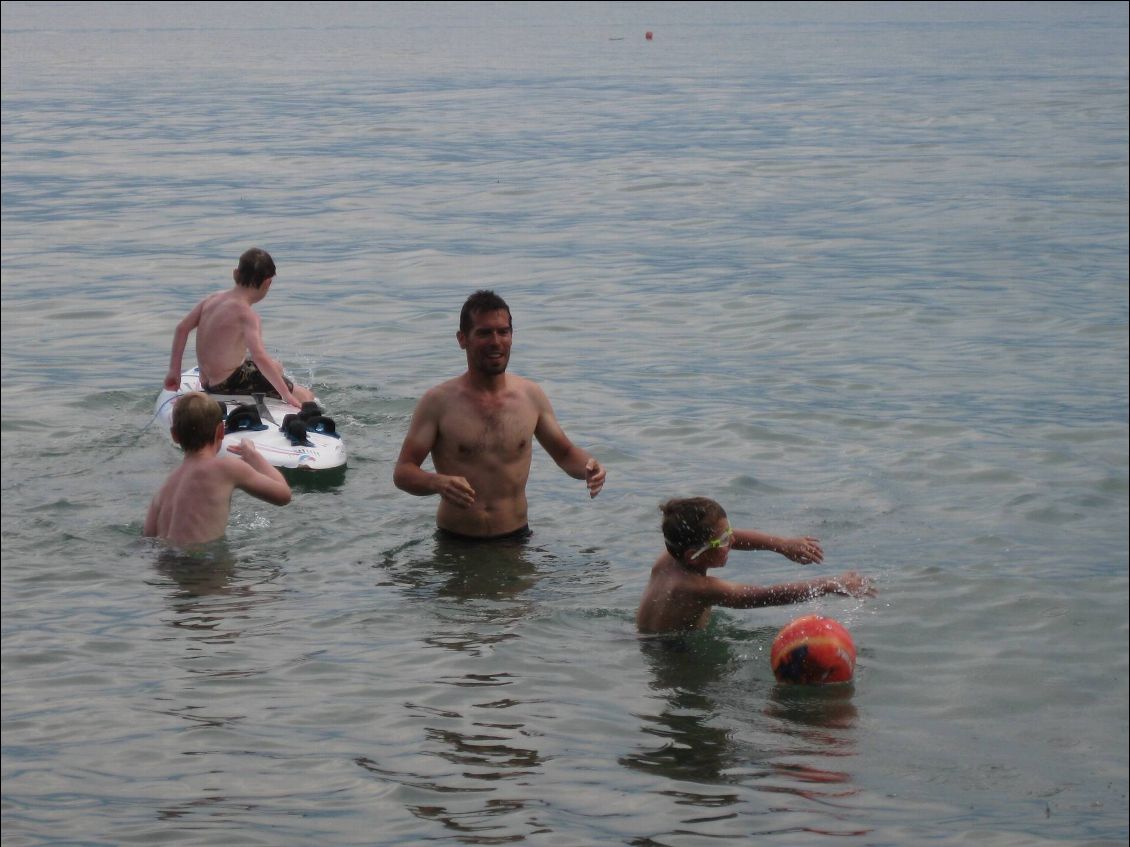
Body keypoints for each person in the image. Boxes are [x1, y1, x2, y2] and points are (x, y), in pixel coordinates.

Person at [393, 289, 606, 539]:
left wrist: (589, 468)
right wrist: (436, 482)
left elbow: (565, 453)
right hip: (456, 542)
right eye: (484, 333)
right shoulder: (438, 402)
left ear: (512, 337)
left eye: (503, 332)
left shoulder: (530, 396)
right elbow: (403, 471)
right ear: (462, 339)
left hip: (515, 538)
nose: (496, 341)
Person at [636, 497, 874, 634]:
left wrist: (781, 545)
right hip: (675, 658)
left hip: (653, 638)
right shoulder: (694, 588)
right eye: (725, 540)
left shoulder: (671, 556)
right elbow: (763, 596)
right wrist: (831, 584)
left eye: (729, 532)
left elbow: (730, 535)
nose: (734, 540)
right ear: (694, 555)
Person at [163, 247, 314, 406]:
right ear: (267, 283)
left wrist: (174, 371)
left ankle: (276, 381)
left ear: (235, 273)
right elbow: (259, 356)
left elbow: (181, 329)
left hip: (207, 381)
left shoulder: (211, 299)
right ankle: (299, 404)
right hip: (228, 384)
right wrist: (286, 395)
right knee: (305, 395)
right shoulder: (248, 315)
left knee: (276, 366)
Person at [144, 392, 292, 547]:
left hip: (167, 565)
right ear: (221, 431)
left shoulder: (165, 488)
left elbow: (148, 539)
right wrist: (254, 456)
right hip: (203, 566)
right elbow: (283, 495)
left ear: (174, 435)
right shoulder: (226, 467)